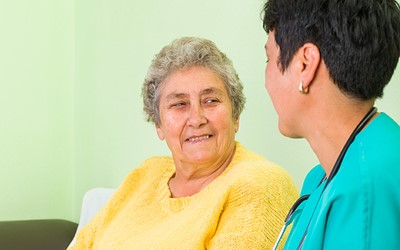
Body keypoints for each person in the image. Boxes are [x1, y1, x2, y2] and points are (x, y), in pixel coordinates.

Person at [69, 37, 298, 249]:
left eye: (211, 100)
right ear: (158, 124)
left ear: (235, 116)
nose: (197, 119)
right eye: (179, 104)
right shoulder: (145, 175)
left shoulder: (260, 183)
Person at [261, 0, 400, 249]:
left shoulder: (364, 191)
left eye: (268, 59)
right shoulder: (321, 177)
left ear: (306, 64)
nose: (266, 81)